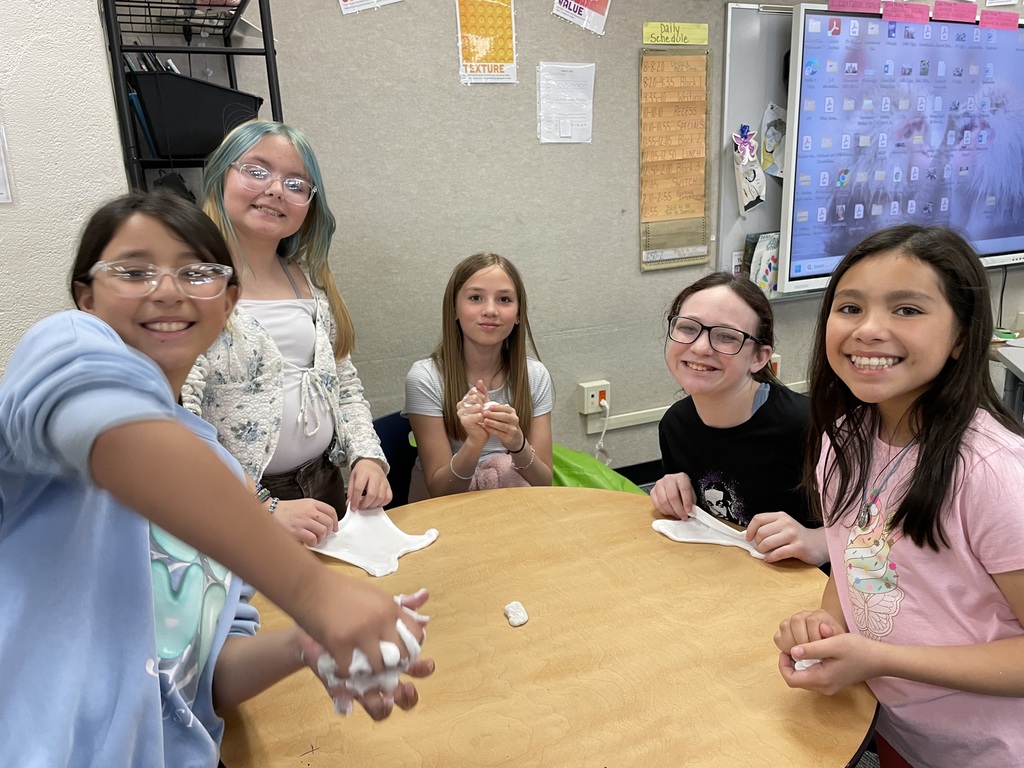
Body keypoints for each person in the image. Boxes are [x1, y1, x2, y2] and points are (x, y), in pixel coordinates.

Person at [0, 192, 432, 767]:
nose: (167, 290)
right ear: (86, 298)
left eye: (197, 272)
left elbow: (206, 677)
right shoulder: (64, 352)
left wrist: (309, 645)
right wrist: (316, 593)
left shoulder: (224, 475)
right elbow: (119, 427)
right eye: (133, 271)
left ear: (229, 305)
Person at [774, 226, 1024, 767]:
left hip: (991, 751)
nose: (868, 330)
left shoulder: (992, 473)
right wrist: (828, 626)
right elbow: (852, 561)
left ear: (962, 336)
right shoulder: (842, 441)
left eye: (907, 309)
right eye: (849, 307)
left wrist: (878, 656)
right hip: (898, 727)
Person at [183, 120, 389, 545]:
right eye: (256, 171)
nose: (276, 189)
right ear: (221, 174)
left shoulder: (307, 284)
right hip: (238, 502)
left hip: (323, 485)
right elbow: (180, 423)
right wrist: (261, 506)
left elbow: (343, 385)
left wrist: (367, 455)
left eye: (297, 184)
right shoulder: (191, 287)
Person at [650, 272, 826, 565]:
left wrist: (819, 542)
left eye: (727, 336)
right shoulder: (675, 424)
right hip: (724, 577)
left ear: (759, 357)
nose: (700, 347)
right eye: (687, 328)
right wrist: (669, 489)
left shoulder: (808, 426)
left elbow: (881, 528)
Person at [404, 252, 553, 499]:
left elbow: (544, 482)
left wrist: (517, 444)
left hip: (514, 506)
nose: (491, 310)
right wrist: (474, 443)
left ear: (518, 314)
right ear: (454, 309)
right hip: (443, 512)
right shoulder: (425, 378)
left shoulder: (535, 375)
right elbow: (440, 491)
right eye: (476, 298)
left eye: (504, 299)